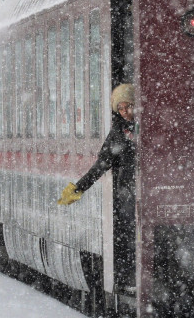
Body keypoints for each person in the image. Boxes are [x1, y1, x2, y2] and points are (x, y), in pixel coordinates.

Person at [57, 83, 137, 293]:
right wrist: (79, 188)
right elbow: (102, 164)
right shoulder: (118, 133)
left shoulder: (150, 129)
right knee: (128, 233)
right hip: (129, 192)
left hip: (146, 191)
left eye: (129, 106)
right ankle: (128, 277)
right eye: (121, 108)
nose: (126, 112)